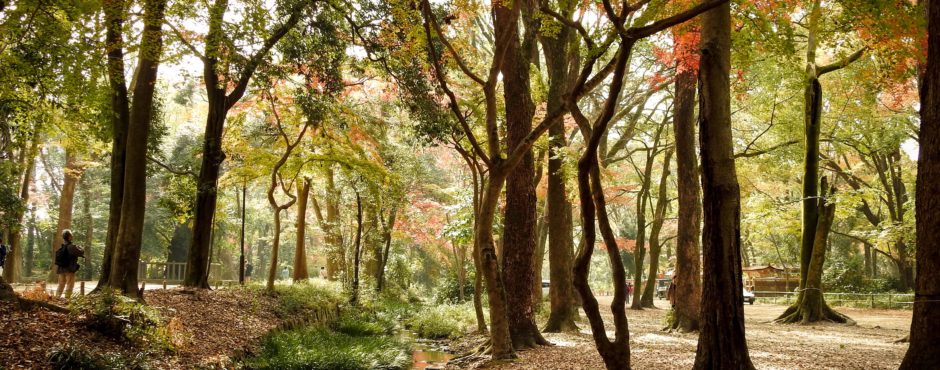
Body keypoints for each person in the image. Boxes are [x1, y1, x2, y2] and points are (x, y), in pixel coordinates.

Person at [54, 230, 84, 299]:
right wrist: (80, 248)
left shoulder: (62, 247)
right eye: (71, 235)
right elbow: (81, 252)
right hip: (69, 269)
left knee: (61, 284)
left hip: (61, 269)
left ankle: (57, 298)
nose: (72, 236)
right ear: (69, 237)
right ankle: (67, 299)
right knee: (70, 284)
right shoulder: (72, 247)